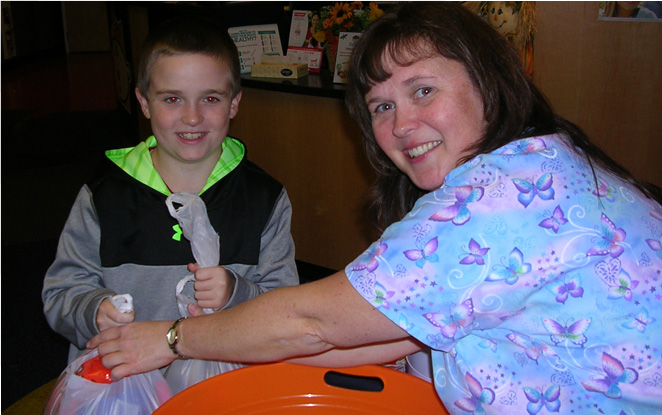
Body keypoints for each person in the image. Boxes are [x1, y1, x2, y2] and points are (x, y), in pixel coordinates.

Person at [90, 3, 662, 414]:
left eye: (422, 91)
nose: (401, 125)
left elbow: (314, 321)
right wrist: (238, 352)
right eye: (382, 105)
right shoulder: (541, 160)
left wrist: (169, 339)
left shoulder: (501, 199)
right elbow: (397, 333)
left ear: (487, 81)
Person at [42, 15, 298, 375]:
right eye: (172, 98)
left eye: (210, 98)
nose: (192, 117)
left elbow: (284, 308)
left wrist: (236, 292)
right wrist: (93, 310)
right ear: (144, 103)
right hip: (125, 385)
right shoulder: (103, 197)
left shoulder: (264, 198)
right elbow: (60, 295)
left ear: (234, 103)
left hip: (220, 384)